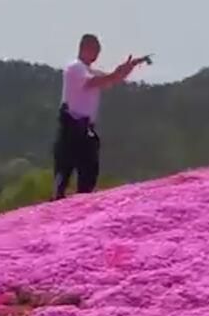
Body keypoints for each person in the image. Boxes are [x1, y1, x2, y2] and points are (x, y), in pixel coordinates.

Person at [52, 34, 147, 199]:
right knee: (64, 172)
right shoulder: (75, 67)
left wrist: (127, 68)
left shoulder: (89, 70)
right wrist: (116, 73)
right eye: (94, 50)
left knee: (89, 173)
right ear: (85, 48)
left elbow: (111, 79)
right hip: (72, 126)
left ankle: (83, 201)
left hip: (86, 128)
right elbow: (95, 82)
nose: (97, 54)